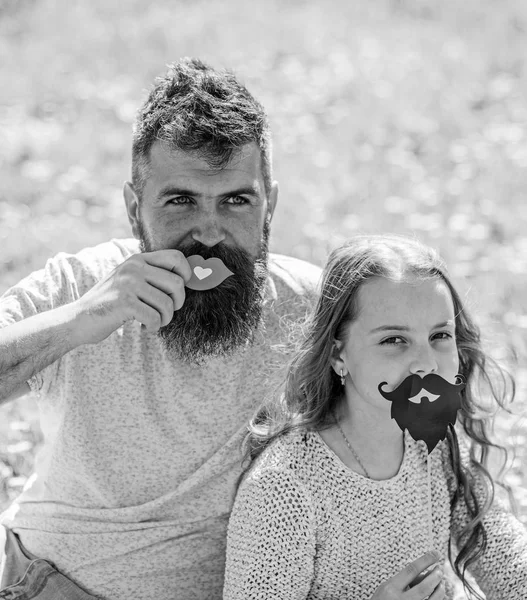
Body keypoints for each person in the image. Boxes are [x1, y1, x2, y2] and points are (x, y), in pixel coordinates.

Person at [0, 58, 321, 600]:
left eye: (236, 201)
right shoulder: (78, 285)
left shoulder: (313, 309)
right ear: (133, 209)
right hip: (56, 582)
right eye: (180, 201)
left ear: (270, 208)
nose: (211, 232)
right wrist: (82, 321)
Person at [223, 235, 527, 600]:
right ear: (338, 355)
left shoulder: (437, 444)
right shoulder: (284, 488)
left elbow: (508, 563)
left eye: (440, 335)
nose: (426, 363)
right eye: (394, 340)